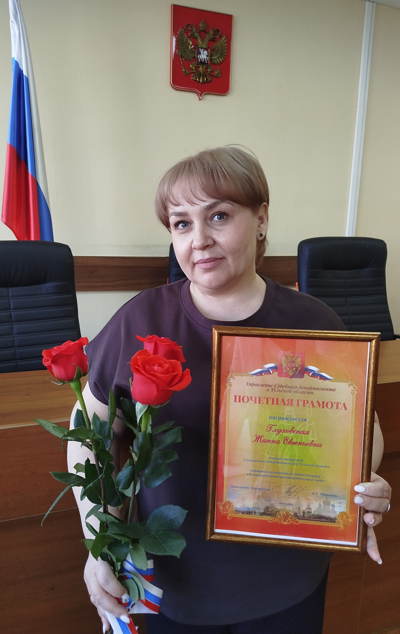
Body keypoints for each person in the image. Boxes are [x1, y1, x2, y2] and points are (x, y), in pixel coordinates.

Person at [68, 146, 391, 634]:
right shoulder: (142, 318)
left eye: (219, 216)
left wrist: (365, 481)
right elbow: (88, 431)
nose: (199, 239)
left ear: (261, 220)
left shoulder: (314, 322)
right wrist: (99, 540)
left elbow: (367, 429)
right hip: (172, 581)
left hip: (287, 578)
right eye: (181, 223)